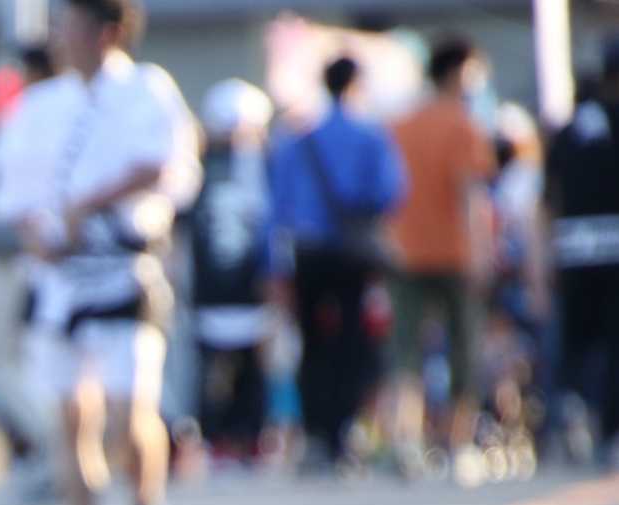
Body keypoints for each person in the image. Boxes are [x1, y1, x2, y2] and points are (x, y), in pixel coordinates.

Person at [26, 0, 201, 505]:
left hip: (125, 270)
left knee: (130, 413)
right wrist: (35, 234)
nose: (60, 37)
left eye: (69, 26)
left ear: (107, 32)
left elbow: (164, 166)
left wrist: (89, 204)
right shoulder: (46, 103)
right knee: (72, 417)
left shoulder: (146, 89)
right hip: (61, 280)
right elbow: (15, 186)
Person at [268, 56, 407, 470]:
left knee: (311, 344)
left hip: (308, 252)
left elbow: (278, 207)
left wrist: (273, 267)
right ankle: (345, 429)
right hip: (353, 253)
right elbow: (391, 192)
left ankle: (315, 433)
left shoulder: (299, 139)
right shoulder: (370, 135)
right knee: (353, 343)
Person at [387, 36, 498, 480]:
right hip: (456, 253)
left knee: (405, 354)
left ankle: (406, 443)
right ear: (456, 73)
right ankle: (459, 446)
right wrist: (482, 252)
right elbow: (471, 193)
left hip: (405, 252)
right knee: (464, 350)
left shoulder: (401, 125)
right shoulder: (464, 125)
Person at [0, 42, 78, 490]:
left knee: (2, 361)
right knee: (41, 363)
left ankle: (59, 451)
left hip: (20, 252)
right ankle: (64, 454)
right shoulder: (80, 105)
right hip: (54, 255)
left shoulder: (34, 112)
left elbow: (10, 193)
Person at [191, 78, 275, 463]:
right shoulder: (198, 167)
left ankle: (248, 435)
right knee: (216, 370)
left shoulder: (261, 166)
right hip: (215, 289)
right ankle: (219, 436)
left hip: (250, 288)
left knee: (250, 368)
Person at [545, 36, 619, 466]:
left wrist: (542, 258)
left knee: (577, 340)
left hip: (572, 247)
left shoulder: (569, 131)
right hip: (614, 247)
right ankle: (608, 430)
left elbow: (549, 199)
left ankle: (572, 407)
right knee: (613, 345)